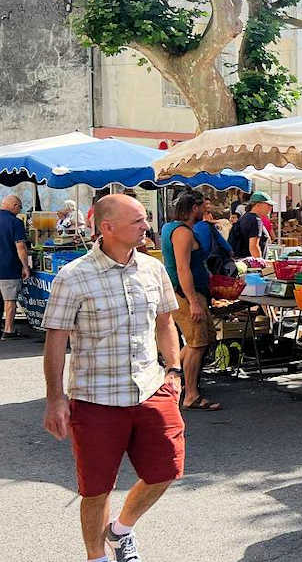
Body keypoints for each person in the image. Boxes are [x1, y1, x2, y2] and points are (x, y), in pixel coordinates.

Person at [41, 194, 186, 562]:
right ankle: (97, 557)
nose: (146, 226)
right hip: (95, 399)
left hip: (151, 389)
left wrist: (174, 369)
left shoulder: (153, 269)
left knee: (167, 470)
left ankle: (120, 530)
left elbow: (165, 322)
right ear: (107, 228)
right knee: (96, 489)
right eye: (137, 220)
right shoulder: (72, 277)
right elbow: (55, 340)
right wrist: (56, 398)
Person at [162, 190, 221, 411]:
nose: (206, 210)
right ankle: (191, 395)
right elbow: (182, 268)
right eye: (203, 206)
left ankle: (171, 378)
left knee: (200, 341)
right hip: (187, 294)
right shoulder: (182, 233)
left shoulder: (174, 228)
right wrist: (193, 301)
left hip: (190, 292)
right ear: (193, 208)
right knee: (197, 343)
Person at [0, 195, 31, 340]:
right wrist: (25, 266)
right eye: (19, 207)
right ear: (14, 205)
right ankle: (9, 330)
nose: (20, 210)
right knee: (9, 300)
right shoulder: (15, 222)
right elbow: (21, 247)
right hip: (8, 266)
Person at [229, 191, 273, 260]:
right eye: (268, 205)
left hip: (241, 262)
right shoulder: (255, 220)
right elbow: (254, 247)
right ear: (258, 204)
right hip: (251, 266)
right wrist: (261, 264)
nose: (270, 208)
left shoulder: (246, 217)